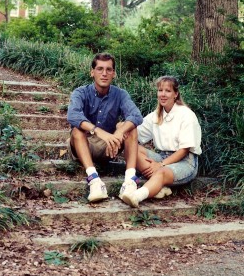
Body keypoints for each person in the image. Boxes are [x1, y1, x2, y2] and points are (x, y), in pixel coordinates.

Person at [67, 52, 143, 203]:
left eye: (109, 69)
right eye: (100, 69)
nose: (104, 73)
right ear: (92, 72)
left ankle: (129, 182)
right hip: (84, 145)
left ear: (114, 73)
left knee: (130, 127)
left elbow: (136, 115)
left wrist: (119, 131)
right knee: (77, 129)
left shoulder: (120, 94)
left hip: (109, 147)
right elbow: (73, 115)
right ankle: (94, 181)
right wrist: (99, 131)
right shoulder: (81, 92)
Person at [121, 75, 202, 208]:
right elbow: (135, 132)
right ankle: (159, 186)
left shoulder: (186, 115)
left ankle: (136, 196)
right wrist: (122, 127)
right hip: (162, 157)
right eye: (160, 90)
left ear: (175, 94)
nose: (163, 94)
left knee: (161, 172)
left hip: (185, 161)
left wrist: (160, 164)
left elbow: (184, 150)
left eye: (168, 91)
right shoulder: (155, 115)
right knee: (132, 149)